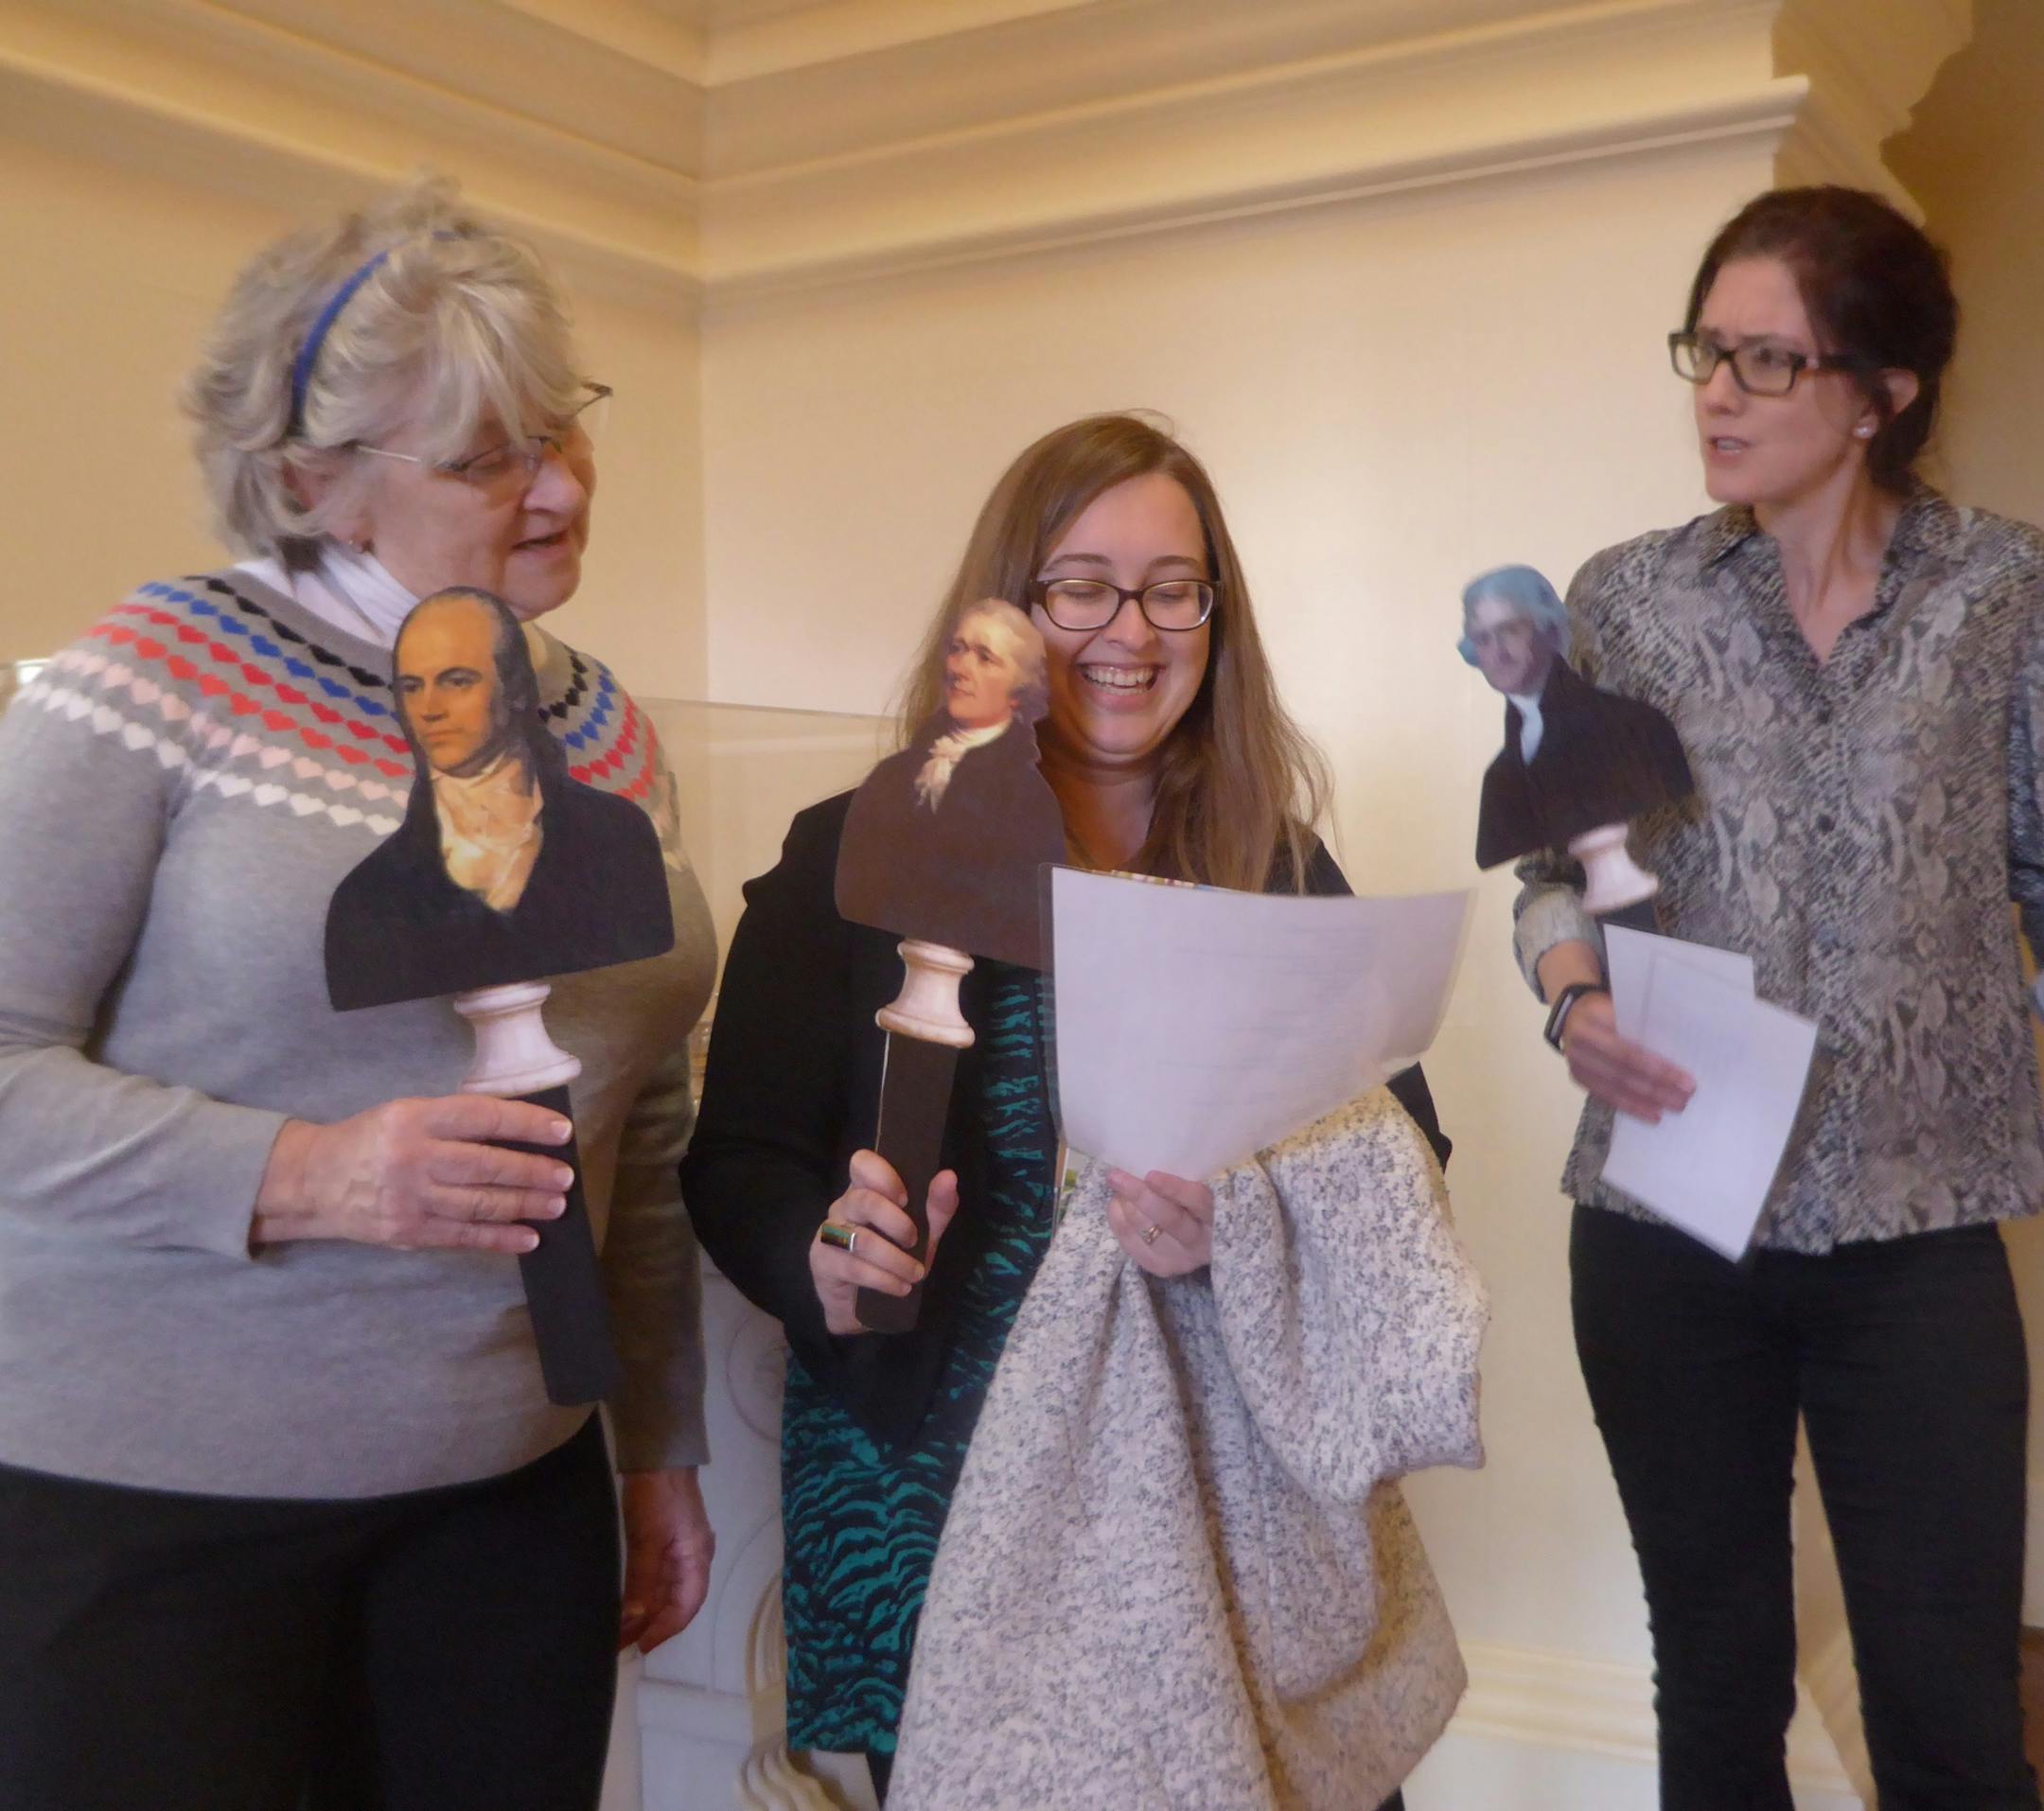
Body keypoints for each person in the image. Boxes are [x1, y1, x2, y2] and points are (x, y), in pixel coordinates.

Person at [0, 178, 717, 1811]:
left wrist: (653, 1441)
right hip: (152, 1512)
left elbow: (641, 1112)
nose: (557, 487)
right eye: (484, 457)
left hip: (511, 1496)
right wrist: (311, 1170)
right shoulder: (151, 682)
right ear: (313, 480)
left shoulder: (607, 729)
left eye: (563, 427)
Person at [683, 413, 1453, 1807]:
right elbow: (738, 1155)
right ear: (1013, 608)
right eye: (1082, 583)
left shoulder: (1274, 869)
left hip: (1231, 1514)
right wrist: (827, 1255)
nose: (1131, 629)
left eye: (1174, 587)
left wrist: (1244, 1226)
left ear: (1216, 617)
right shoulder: (854, 847)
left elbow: (1404, 1154)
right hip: (938, 1485)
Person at [1518, 185, 2044, 1808]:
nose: (1719, 394)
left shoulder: (2008, 602)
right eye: (1706, 350)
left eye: (1769, 358)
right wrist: (1572, 999)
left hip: (1920, 1226)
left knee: (1951, 1706)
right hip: (1670, 1216)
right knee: (1717, 1682)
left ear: (1883, 390)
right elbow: (1552, 866)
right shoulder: (1624, 600)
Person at [326, 587, 674, 1010]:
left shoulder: (619, 837)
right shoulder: (368, 896)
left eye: (457, 681)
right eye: (412, 687)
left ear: (516, 688)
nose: (430, 708)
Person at [836, 596, 1066, 967]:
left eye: (984, 657)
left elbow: (1020, 930)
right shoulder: (890, 776)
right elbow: (853, 896)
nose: (960, 668)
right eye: (957, 650)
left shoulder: (1030, 802)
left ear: (1020, 691)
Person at [1459, 564, 1693, 870]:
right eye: (1483, 639)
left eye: (1510, 631)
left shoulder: (1637, 727)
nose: (1498, 653)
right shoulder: (1499, 778)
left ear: (1549, 630)